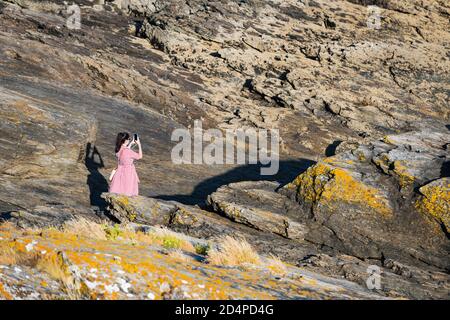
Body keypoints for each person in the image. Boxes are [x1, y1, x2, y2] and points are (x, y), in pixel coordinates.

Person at [109, 132, 142, 196]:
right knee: (128, 190)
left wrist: (131, 143)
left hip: (119, 171)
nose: (129, 140)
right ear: (125, 140)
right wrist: (139, 144)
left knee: (119, 189)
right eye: (129, 139)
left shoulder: (117, 150)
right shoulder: (127, 151)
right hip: (128, 172)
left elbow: (124, 151)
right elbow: (139, 156)